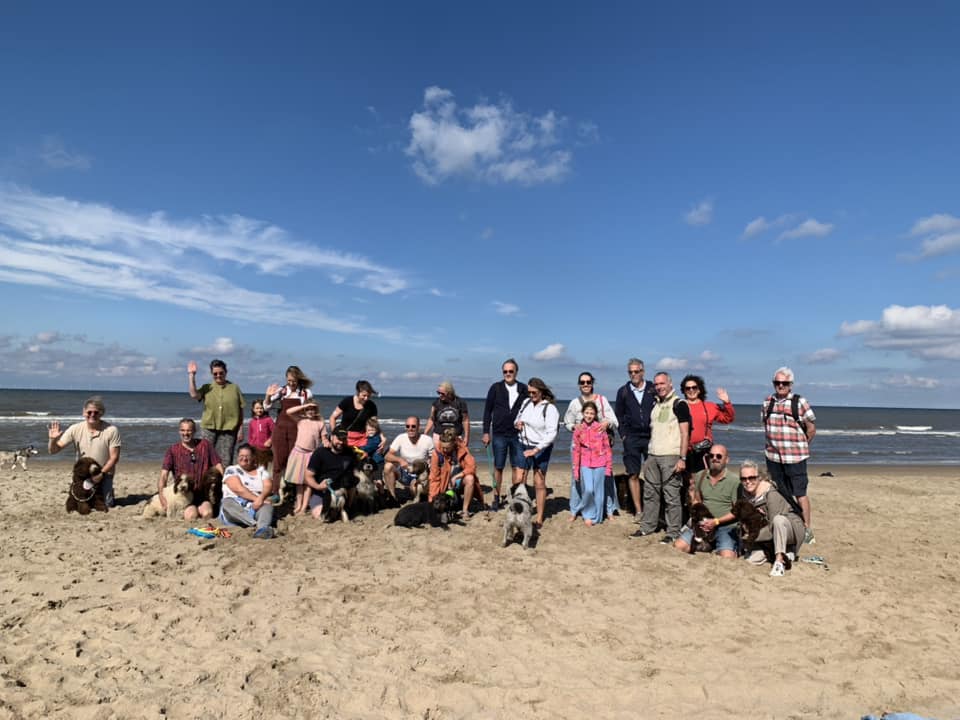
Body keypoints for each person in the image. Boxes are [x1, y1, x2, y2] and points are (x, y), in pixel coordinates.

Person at [630, 372, 691, 543]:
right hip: (653, 455)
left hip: (671, 456)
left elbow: (685, 434)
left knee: (671, 496)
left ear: (670, 384)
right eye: (656, 384)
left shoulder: (679, 404)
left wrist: (683, 458)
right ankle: (647, 527)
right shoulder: (656, 405)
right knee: (650, 494)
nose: (659, 387)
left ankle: (673, 532)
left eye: (662, 383)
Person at [762, 366, 817, 544]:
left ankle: (807, 528)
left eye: (784, 383)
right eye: (777, 383)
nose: (780, 386)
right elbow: (766, 426)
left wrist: (801, 446)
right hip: (773, 457)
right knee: (779, 492)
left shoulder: (799, 402)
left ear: (791, 385)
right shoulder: (767, 402)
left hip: (795, 458)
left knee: (800, 493)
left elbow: (811, 429)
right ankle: (784, 522)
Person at [47, 396, 122, 507]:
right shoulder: (75, 429)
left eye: (96, 412)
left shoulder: (112, 430)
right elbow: (53, 451)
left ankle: (108, 491)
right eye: (89, 412)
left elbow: (114, 458)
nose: (92, 415)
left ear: (101, 413)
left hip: (104, 473)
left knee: (107, 505)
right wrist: (53, 440)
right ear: (83, 412)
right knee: (79, 504)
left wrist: (101, 474)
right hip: (83, 474)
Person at [564, 371, 619, 520]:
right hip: (580, 446)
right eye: (582, 382)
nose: (586, 384)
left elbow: (615, 421)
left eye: (588, 382)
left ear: (592, 383)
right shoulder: (574, 403)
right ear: (579, 385)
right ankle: (575, 510)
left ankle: (609, 509)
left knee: (606, 478)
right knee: (577, 479)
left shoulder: (602, 400)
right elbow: (567, 422)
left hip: (600, 446)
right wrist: (574, 427)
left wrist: (607, 422)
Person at [739, 460, 805, 577]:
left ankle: (779, 560)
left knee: (778, 520)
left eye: (752, 478)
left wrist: (750, 537)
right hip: (766, 534)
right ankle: (785, 552)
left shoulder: (771, 493)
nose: (748, 482)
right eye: (744, 479)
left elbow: (772, 527)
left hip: (790, 526)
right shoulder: (744, 494)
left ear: (759, 478)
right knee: (751, 560)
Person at [673, 444, 740, 558]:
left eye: (719, 456)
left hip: (725, 527)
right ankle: (708, 544)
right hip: (702, 524)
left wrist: (716, 522)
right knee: (678, 547)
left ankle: (721, 545)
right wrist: (693, 500)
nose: (714, 459)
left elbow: (737, 511)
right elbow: (698, 500)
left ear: (727, 460)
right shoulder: (701, 475)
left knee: (727, 557)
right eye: (711, 456)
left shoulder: (735, 481)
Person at [481, 358, 528, 511]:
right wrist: (486, 432)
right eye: (505, 371)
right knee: (498, 467)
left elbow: (530, 410)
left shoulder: (523, 388)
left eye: (511, 371)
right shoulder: (495, 388)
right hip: (499, 434)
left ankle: (514, 498)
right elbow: (487, 411)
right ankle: (496, 497)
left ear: (516, 372)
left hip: (517, 435)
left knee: (517, 467)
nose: (508, 374)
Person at [615, 358, 657, 522]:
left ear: (643, 372)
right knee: (633, 474)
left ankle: (652, 509)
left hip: (652, 437)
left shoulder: (653, 389)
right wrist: (624, 435)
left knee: (652, 474)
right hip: (631, 438)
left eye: (636, 371)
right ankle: (639, 511)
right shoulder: (623, 391)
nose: (634, 374)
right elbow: (618, 415)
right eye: (631, 372)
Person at [515, 377, 560, 527]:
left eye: (534, 392)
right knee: (519, 479)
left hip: (541, 448)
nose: (531, 395)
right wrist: (518, 423)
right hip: (523, 444)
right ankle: (520, 510)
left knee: (539, 482)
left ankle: (539, 517)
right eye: (529, 392)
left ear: (541, 391)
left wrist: (536, 450)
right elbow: (518, 418)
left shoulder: (550, 409)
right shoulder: (526, 403)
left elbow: (551, 434)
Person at [159, 418, 223, 520]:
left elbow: (218, 465)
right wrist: (162, 497)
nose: (186, 433)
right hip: (184, 496)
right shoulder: (173, 450)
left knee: (207, 513)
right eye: (183, 430)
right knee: (191, 516)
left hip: (202, 494)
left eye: (189, 430)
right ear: (179, 431)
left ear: (194, 431)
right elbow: (163, 475)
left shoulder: (205, 445)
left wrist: (224, 483)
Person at [188, 359, 244, 465]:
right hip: (208, 427)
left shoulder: (234, 388)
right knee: (204, 456)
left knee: (226, 459)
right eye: (215, 374)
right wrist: (192, 376)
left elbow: (240, 409)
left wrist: (240, 429)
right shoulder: (207, 387)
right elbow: (194, 395)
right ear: (211, 374)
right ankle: (204, 480)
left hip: (229, 429)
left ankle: (223, 480)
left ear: (226, 372)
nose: (218, 375)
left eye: (221, 373)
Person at [264, 366, 314, 484]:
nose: (291, 383)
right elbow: (267, 406)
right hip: (280, 428)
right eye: (289, 381)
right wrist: (268, 395)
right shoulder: (282, 391)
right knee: (278, 459)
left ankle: (291, 489)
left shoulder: (305, 393)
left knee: (294, 460)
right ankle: (276, 491)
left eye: (294, 381)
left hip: (297, 429)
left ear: (298, 379)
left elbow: (310, 411)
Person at [679, 374, 735, 476]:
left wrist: (727, 402)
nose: (691, 390)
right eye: (688, 388)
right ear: (684, 391)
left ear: (699, 390)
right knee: (685, 484)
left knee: (703, 481)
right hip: (683, 452)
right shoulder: (680, 406)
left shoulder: (710, 407)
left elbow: (728, 418)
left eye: (694, 387)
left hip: (703, 452)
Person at [219, 443, 275, 539]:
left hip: (255, 506)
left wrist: (261, 499)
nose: (244, 459)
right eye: (241, 456)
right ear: (237, 457)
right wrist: (257, 499)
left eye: (247, 456)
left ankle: (262, 529)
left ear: (253, 457)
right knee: (227, 503)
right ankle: (253, 524)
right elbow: (238, 489)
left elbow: (268, 485)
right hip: (235, 504)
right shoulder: (232, 469)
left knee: (267, 507)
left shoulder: (261, 471)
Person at [571, 401, 613, 526]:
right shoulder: (578, 429)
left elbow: (607, 449)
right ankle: (588, 514)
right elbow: (576, 451)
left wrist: (608, 467)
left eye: (591, 413)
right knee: (588, 489)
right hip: (585, 463)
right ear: (583, 413)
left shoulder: (600, 428)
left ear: (595, 415)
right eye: (587, 413)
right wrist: (576, 470)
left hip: (600, 464)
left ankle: (597, 517)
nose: (589, 415)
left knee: (599, 491)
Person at [282, 401, 328, 515]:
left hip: (311, 454)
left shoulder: (320, 423)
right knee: (299, 483)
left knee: (308, 482)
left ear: (316, 411)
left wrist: (326, 442)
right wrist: (305, 405)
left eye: (313, 409)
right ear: (305, 410)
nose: (310, 411)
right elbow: (288, 412)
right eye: (308, 409)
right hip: (298, 453)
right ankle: (298, 504)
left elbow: (324, 438)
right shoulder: (300, 420)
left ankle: (304, 506)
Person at [304, 428, 359, 520]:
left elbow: (356, 472)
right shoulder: (320, 452)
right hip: (322, 491)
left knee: (353, 482)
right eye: (339, 439)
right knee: (319, 515)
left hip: (342, 490)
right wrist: (318, 486)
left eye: (344, 439)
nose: (341, 442)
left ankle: (347, 507)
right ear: (332, 437)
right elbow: (308, 476)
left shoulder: (350, 453)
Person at [428, 428, 480, 519]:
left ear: (454, 443)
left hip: (458, 483)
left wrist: (457, 476)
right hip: (445, 486)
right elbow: (434, 478)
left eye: (447, 448)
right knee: (448, 504)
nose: (444, 449)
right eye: (442, 447)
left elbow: (472, 467)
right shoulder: (437, 454)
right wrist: (432, 500)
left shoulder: (462, 449)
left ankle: (465, 510)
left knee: (470, 478)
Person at [383, 416, 435, 502]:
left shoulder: (427, 440)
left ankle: (416, 493)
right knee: (387, 467)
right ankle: (393, 497)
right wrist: (400, 460)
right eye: (408, 426)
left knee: (414, 491)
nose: (410, 429)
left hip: (420, 474)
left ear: (418, 427)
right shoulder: (401, 438)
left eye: (413, 426)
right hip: (404, 472)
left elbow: (434, 459)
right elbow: (387, 455)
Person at [329, 380, 378, 450]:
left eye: (368, 396)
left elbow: (374, 424)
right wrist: (334, 434)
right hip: (345, 437)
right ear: (358, 392)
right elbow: (333, 418)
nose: (366, 398)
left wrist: (382, 437)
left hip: (362, 439)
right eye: (364, 395)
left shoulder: (371, 406)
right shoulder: (347, 401)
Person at [424, 380, 470, 446]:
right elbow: (431, 419)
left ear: (449, 393)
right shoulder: (436, 403)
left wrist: (466, 437)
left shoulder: (460, 403)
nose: (440, 395)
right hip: (438, 435)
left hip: (455, 436)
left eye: (442, 393)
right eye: (438, 393)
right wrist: (425, 433)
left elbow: (465, 420)